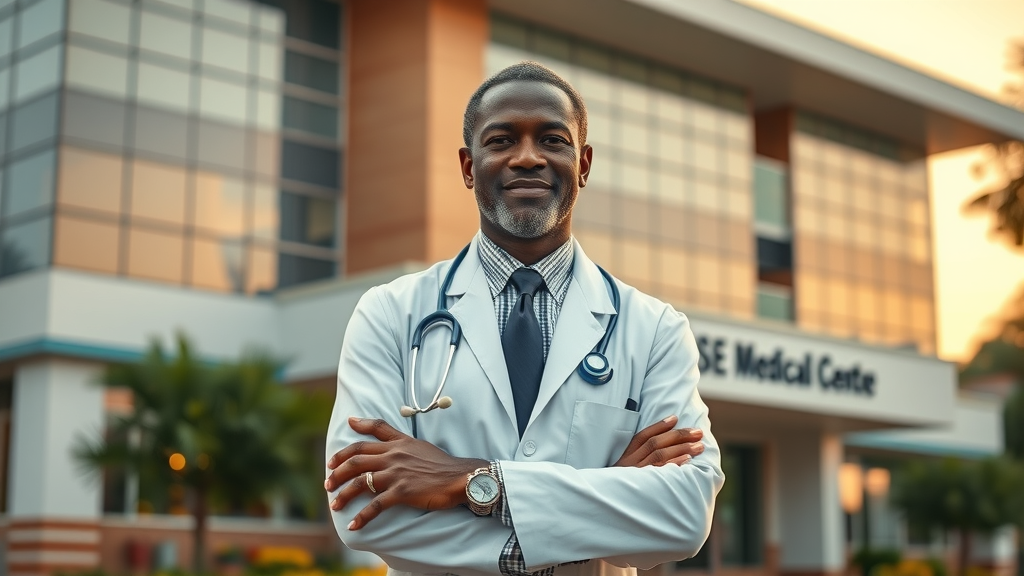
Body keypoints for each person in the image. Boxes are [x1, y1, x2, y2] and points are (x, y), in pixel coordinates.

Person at [324, 62, 724, 576]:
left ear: (583, 164)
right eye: (502, 140)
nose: (528, 157)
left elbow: (684, 515)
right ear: (469, 167)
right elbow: (364, 511)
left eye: (553, 140)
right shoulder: (389, 314)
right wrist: (604, 499)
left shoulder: (656, 330)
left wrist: (472, 481)